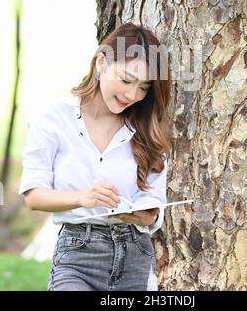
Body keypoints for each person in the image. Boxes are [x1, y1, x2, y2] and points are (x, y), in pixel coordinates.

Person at [18, 22, 172, 291]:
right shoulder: (54, 119)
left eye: (144, 87)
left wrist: (147, 215)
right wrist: (82, 197)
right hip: (78, 255)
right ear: (101, 62)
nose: (132, 95)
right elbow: (33, 195)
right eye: (126, 79)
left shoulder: (146, 129)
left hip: (135, 254)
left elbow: (154, 201)